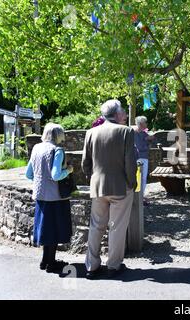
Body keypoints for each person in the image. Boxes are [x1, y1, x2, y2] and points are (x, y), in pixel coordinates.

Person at [82, 99, 137, 279]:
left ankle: (91, 265)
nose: (125, 114)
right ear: (117, 114)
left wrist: (93, 177)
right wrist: (132, 183)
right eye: (123, 111)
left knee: (96, 226)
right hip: (121, 187)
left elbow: (85, 164)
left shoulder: (91, 132)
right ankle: (113, 266)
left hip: (98, 185)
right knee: (117, 227)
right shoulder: (126, 132)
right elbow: (130, 163)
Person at [25, 123, 74, 273]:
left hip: (40, 195)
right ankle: (51, 263)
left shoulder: (36, 148)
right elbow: (56, 175)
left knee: (46, 229)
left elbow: (29, 174)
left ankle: (45, 260)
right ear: (58, 135)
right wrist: (69, 170)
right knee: (54, 229)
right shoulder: (57, 150)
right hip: (56, 197)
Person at [134, 116, 155, 206]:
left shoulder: (144, 133)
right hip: (137, 158)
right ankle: (137, 198)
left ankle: (141, 197)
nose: (146, 124)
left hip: (144, 158)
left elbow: (151, 142)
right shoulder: (133, 133)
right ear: (141, 124)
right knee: (138, 178)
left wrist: (150, 139)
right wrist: (146, 141)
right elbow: (139, 147)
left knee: (143, 179)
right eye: (145, 122)